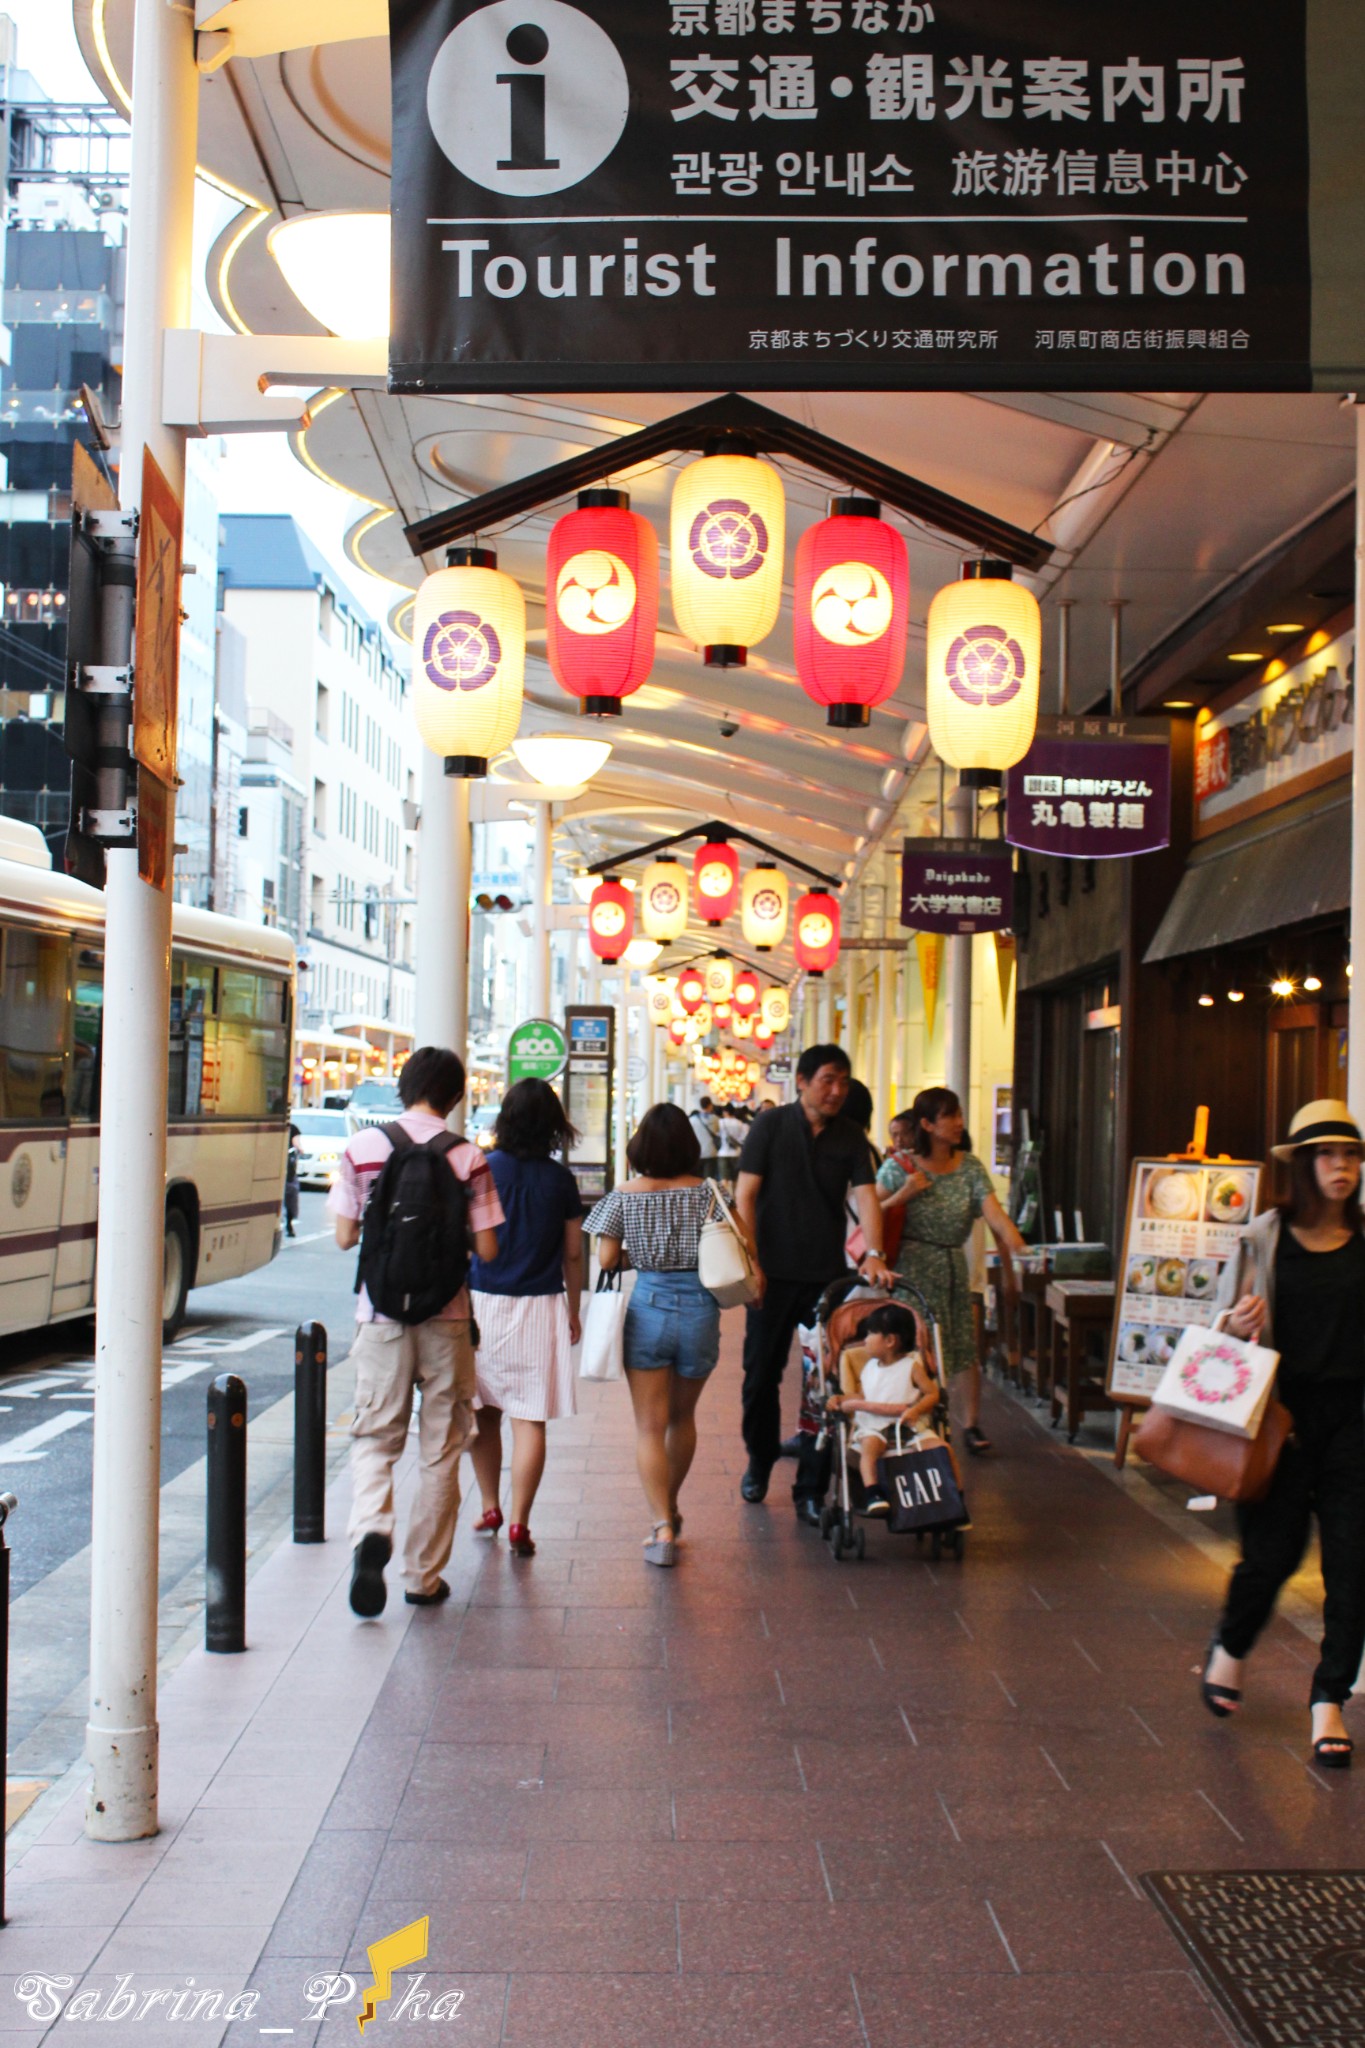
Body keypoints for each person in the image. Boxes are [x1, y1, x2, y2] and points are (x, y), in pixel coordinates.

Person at [1203, 1099, 1365, 1769]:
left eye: (1352, 1156)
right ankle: (1231, 1645)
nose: (1342, 1168)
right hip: (1276, 1422)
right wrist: (1235, 1326)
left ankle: (1328, 1698)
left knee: (1352, 1572)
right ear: (1302, 1165)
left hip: (1351, 1425)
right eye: (1328, 1155)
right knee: (1268, 1560)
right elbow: (1214, 1327)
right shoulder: (1261, 1238)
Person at [329, 1046, 503, 1616]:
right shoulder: (468, 1158)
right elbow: (487, 1248)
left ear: (403, 1087)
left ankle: (372, 1531)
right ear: (455, 1098)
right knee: (443, 1447)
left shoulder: (362, 1148)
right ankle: (422, 1576)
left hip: (380, 1315)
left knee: (376, 1438)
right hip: (447, 1317)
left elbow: (344, 1237)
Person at [586, 1104, 750, 1567]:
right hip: (700, 1310)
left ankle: (661, 1526)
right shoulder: (711, 1192)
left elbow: (606, 1260)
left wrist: (642, 1255)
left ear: (640, 1147)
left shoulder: (623, 1195)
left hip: (649, 1310)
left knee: (648, 1427)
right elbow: (745, 1245)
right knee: (683, 1419)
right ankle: (671, 1508)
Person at [734, 1043, 893, 1523]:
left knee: (822, 1382)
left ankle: (811, 1486)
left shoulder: (850, 1136)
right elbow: (745, 1195)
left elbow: (867, 1198)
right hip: (771, 1277)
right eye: (827, 1080)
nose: (837, 1090)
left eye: (843, 1081)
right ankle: (760, 1458)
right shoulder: (769, 1126)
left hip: (827, 1282)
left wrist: (875, 1253)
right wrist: (753, 1262)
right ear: (801, 1081)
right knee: (760, 1375)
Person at [467, 1080, 584, 1560]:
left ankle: (491, 1505)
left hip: (481, 1302)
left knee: (482, 1412)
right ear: (555, 1126)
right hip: (539, 1305)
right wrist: (574, 1311)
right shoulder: (561, 1181)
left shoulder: (484, 1170)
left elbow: (465, 1241)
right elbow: (574, 1255)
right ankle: (520, 1523)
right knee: (529, 1419)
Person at [877, 1087, 1023, 1456]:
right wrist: (904, 1194)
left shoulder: (970, 1167)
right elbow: (868, 1219)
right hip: (910, 1272)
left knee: (963, 1348)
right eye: (950, 1116)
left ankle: (970, 1423)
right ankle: (911, 1419)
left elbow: (997, 1219)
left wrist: (1021, 1251)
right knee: (915, 1348)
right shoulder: (899, 1168)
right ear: (926, 1124)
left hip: (953, 1268)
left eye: (959, 1114)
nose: (959, 1123)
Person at [826, 1301, 962, 1518]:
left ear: (890, 1341)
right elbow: (864, 1397)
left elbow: (932, 1393)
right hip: (875, 1428)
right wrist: (840, 1398)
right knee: (870, 1448)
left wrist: (916, 1410)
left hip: (909, 1427)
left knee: (943, 1449)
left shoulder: (911, 1366)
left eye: (870, 1334)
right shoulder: (869, 1368)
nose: (864, 1340)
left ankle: (956, 1498)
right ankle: (873, 1493)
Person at [689, 1095, 720, 1178]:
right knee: (709, 1179)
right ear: (710, 1105)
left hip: (697, 1153)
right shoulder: (715, 1119)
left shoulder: (692, 1120)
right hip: (711, 1152)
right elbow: (717, 1131)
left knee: (697, 1178)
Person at [717, 1105, 747, 1185]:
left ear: (726, 1112)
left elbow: (717, 1134)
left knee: (724, 1178)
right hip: (736, 1153)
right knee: (735, 1178)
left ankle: (725, 1196)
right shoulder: (739, 1123)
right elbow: (743, 1138)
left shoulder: (720, 1122)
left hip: (723, 1152)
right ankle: (734, 1196)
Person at [283, 1120, 300, 1238]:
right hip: (288, 1169)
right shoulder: (292, 1128)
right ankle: (289, 1224)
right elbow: (297, 1144)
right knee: (291, 1193)